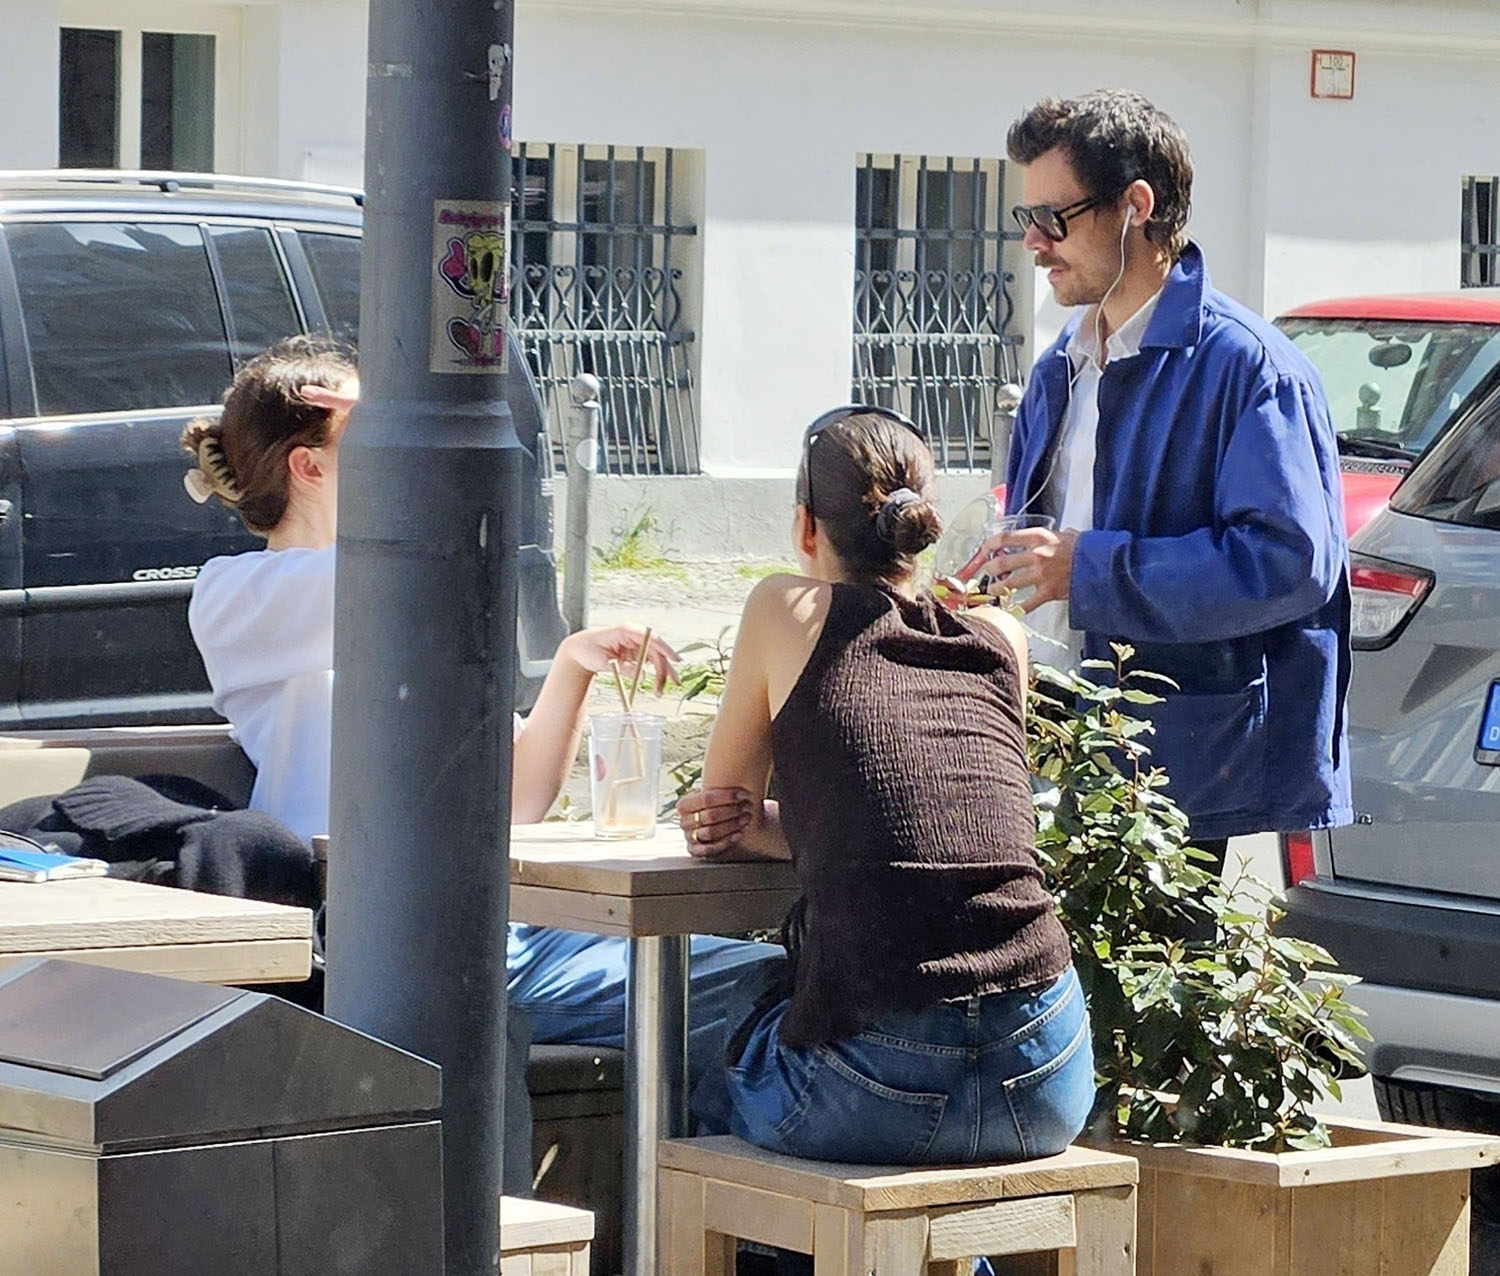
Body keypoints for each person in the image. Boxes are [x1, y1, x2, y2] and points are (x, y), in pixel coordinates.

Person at [181, 335, 777, 1185]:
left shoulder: (413, 589)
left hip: (496, 926)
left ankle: (719, 1222)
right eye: (379, 434)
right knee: (738, 996)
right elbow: (402, 564)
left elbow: (519, 801)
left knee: (756, 980)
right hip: (386, 941)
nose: (407, 451)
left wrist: (571, 666)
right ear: (309, 467)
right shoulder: (238, 595)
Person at [677, 407, 1092, 1166]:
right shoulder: (1002, 639)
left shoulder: (784, 608)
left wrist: (748, 824)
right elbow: (951, 817)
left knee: (716, 1051)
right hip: (1049, 1073)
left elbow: (728, 816)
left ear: (806, 526)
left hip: (879, 1077)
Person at [973, 90, 1351, 867]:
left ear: (1136, 206)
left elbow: (1289, 563)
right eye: (1026, 218)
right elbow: (1041, 532)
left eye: (1053, 218)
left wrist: (1088, 569)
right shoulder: (1059, 366)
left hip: (1175, 763)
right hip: (1046, 731)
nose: (1033, 242)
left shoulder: (1251, 369)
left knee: (1152, 951)